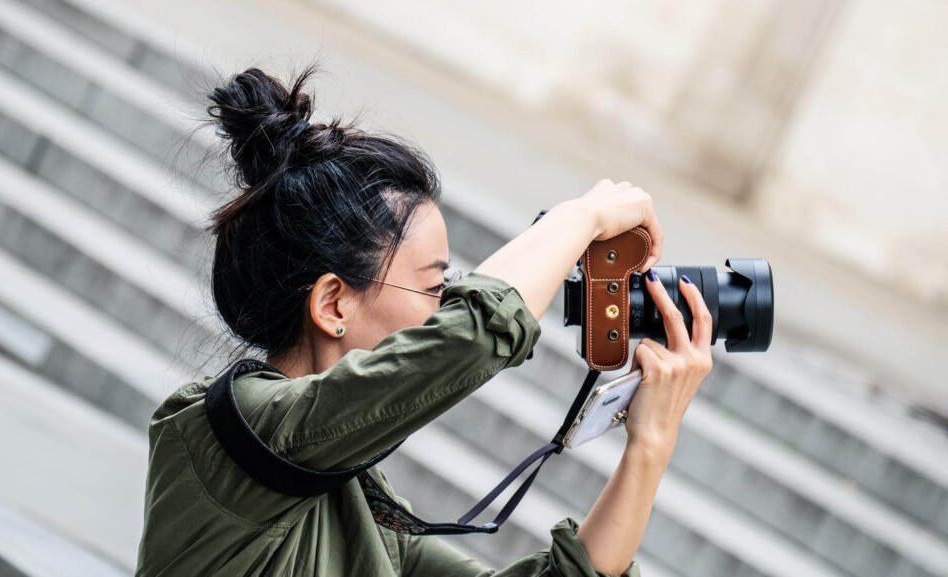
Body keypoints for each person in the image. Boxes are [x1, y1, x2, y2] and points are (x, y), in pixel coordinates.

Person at [135, 63, 714, 577]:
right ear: (334, 304)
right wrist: (581, 218)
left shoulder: (360, 505)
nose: (448, 305)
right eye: (437, 286)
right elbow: (469, 338)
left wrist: (651, 444)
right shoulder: (231, 433)